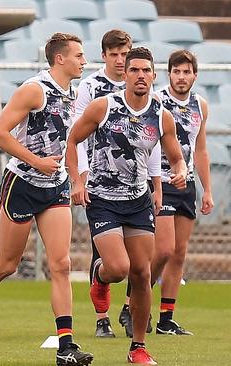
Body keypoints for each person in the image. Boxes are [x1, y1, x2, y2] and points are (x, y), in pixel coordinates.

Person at [0, 32, 93, 366]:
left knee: (61, 264)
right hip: (23, 183)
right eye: (79, 55)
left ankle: (66, 347)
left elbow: (70, 142)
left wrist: (75, 177)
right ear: (60, 58)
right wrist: (36, 161)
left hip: (54, 186)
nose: (84, 61)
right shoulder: (34, 89)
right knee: (7, 264)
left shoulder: (73, 94)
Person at [67, 47, 187, 365]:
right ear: (126, 74)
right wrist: (77, 182)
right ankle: (101, 276)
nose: (140, 76)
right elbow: (72, 139)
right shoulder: (104, 107)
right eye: (134, 70)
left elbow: (174, 155)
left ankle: (138, 347)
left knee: (142, 272)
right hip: (103, 199)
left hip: (138, 200)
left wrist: (180, 171)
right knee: (119, 268)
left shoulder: (160, 116)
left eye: (146, 70)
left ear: (153, 75)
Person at [146, 49, 213, 336]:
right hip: (161, 180)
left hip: (186, 185)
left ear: (194, 75)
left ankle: (166, 318)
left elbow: (200, 149)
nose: (181, 77)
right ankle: (132, 302)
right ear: (169, 73)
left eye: (186, 72)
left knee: (179, 253)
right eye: (177, 71)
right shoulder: (158, 100)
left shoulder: (201, 105)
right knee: (163, 249)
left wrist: (207, 189)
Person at [73, 29, 131, 338]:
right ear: (105, 55)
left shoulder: (141, 83)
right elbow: (76, 136)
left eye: (125, 54)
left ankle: (132, 310)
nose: (121, 61)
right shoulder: (91, 87)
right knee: (104, 253)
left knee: (140, 253)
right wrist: (81, 177)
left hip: (135, 181)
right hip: (100, 180)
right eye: (115, 54)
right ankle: (102, 317)